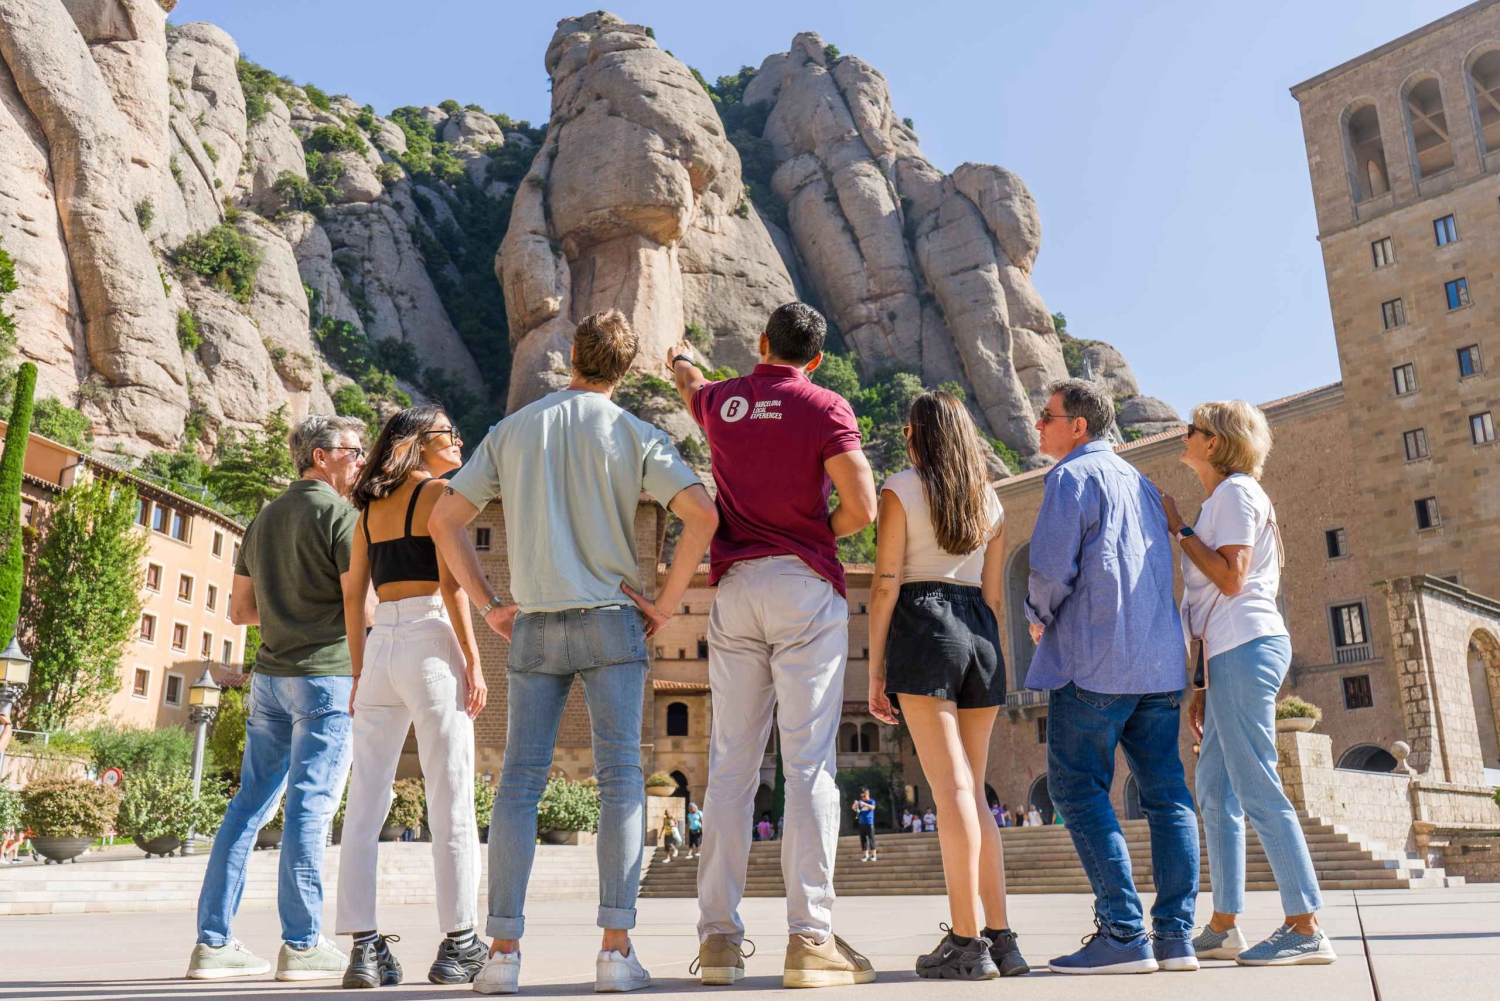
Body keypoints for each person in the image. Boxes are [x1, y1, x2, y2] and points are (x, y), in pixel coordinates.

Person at [429, 309, 718, 996]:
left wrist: (488, 599)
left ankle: (501, 951)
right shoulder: (636, 433)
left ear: (572, 356)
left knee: (519, 783)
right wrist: (666, 599)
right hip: (615, 619)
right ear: (625, 367)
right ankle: (616, 950)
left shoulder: (512, 431)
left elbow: (445, 518)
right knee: (622, 779)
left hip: (532, 622)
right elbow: (702, 513)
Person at [666, 302, 878, 989]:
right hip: (804, 586)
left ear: (761, 344)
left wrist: (678, 364)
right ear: (814, 358)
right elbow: (863, 505)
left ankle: (720, 941)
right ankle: (809, 938)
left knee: (729, 764)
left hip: (735, 589)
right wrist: (816, 531)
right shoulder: (824, 405)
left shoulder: (723, 401)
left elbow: (693, 386)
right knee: (810, 763)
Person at [1024, 379, 1199, 975]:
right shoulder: (1144, 485)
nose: (1038, 427)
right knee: (1169, 795)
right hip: (1158, 666)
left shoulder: (1070, 479)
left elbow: (1049, 569)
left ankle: (1123, 934)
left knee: (1076, 790)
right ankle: (1176, 938)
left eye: (1047, 417)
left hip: (1094, 662)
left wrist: (1036, 617)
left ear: (1078, 426)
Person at [188, 415, 369, 982]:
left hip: (268, 679)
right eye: (353, 451)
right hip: (325, 677)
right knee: (311, 809)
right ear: (321, 456)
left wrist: (291, 613)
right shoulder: (342, 517)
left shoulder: (262, 518)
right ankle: (303, 943)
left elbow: (240, 612)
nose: (361, 459)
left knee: (247, 807)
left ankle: (212, 944)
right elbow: (359, 607)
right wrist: (366, 673)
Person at [1160, 402, 1334, 967]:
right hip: (1228, 653)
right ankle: (1225, 924)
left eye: (1192, 430)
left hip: (1246, 644)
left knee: (1256, 782)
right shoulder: (1225, 498)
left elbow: (1231, 579)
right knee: (1214, 788)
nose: (1183, 437)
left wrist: (1178, 529)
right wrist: (1203, 685)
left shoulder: (1235, 493)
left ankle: (1305, 925)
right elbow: (1213, 602)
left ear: (1214, 443)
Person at [867, 391, 1028, 980]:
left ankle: (965, 942)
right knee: (976, 792)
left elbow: (885, 584)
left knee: (951, 790)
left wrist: (875, 668)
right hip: (981, 635)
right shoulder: (990, 499)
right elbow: (991, 593)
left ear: (917, 435)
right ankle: (1002, 938)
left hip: (923, 623)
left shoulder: (900, 488)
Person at [334, 407, 488, 989]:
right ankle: (460, 943)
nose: (459, 440)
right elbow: (451, 584)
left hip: (379, 651)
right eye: (449, 433)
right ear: (421, 443)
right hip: (429, 637)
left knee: (365, 803)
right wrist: (473, 660)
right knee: (450, 794)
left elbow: (355, 594)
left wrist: (357, 673)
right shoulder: (440, 494)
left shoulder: (368, 507)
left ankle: (365, 949)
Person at [852, 789, 877, 863]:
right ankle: (865, 855)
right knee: (863, 840)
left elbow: (872, 807)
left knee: (871, 839)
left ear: (868, 794)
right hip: (861, 823)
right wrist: (855, 804)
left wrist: (864, 804)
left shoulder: (871, 801)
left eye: (864, 796)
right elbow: (854, 809)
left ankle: (873, 855)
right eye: (862, 796)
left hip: (869, 822)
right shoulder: (860, 801)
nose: (863, 797)